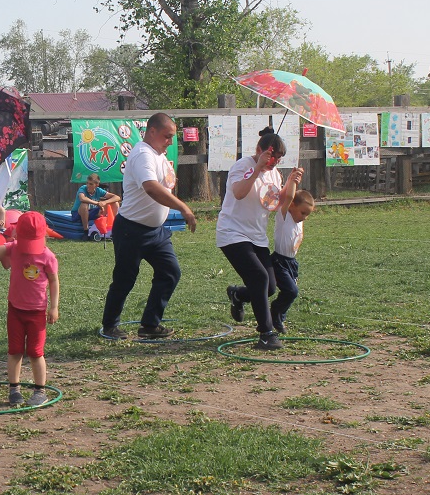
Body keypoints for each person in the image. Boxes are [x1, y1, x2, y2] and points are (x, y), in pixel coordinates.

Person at [100, 113, 196, 340]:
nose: (170, 142)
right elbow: (151, 187)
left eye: (172, 137)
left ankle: (150, 325)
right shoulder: (143, 154)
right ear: (152, 131)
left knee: (170, 272)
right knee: (125, 279)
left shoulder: (158, 154)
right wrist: (183, 207)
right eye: (167, 136)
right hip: (131, 230)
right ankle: (110, 325)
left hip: (156, 232)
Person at [216, 126, 304, 350]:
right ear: (259, 150)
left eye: (279, 158)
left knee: (270, 287)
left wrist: (291, 181)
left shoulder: (274, 173)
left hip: (257, 236)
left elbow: (275, 201)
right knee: (258, 277)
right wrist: (256, 168)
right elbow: (239, 193)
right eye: (272, 156)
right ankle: (266, 334)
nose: (275, 161)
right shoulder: (242, 166)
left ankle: (238, 295)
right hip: (233, 233)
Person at [0, 211, 59, 407]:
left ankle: (40, 390)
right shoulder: (13, 248)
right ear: (16, 234)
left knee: (35, 352)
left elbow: (54, 281)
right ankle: (14, 389)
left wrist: (54, 307)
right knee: (15, 351)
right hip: (15, 310)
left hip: (37, 312)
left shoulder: (47, 256)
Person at [270, 183, 314, 334]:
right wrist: (294, 180)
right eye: (303, 213)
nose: (305, 218)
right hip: (279, 261)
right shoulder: (284, 216)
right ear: (292, 206)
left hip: (292, 262)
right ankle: (275, 312)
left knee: (290, 293)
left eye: (307, 215)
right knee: (291, 291)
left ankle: (279, 317)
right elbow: (289, 196)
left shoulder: (298, 221)